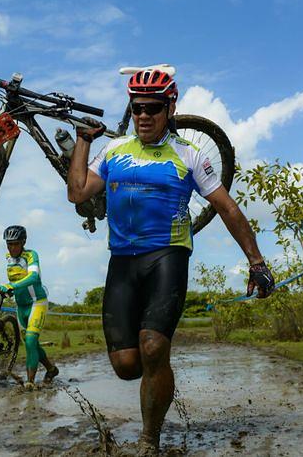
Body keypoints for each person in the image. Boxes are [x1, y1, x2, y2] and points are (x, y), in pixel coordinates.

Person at [67, 67, 274, 454]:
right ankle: (157, 382)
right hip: (123, 263)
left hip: (168, 256)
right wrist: (82, 142)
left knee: (153, 348)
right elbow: (78, 193)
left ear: (170, 107)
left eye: (153, 108)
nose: (144, 115)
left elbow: (227, 208)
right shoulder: (114, 151)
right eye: (138, 108)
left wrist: (256, 261)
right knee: (127, 365)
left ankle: (150, 438)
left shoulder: (189, 155)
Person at [1, 224, 59, 390]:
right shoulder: (8, 258)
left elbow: (33, 278)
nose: (12, 248)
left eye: (15, 244)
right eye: (9, 244)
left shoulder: (31, 255)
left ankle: (30, 382)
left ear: (23, 241)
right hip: (21, 306)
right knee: (30, 342)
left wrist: (13, 286)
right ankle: (51, 369)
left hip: (37, 303)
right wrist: (8, 289)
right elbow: (14, 280)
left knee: (31, 340)